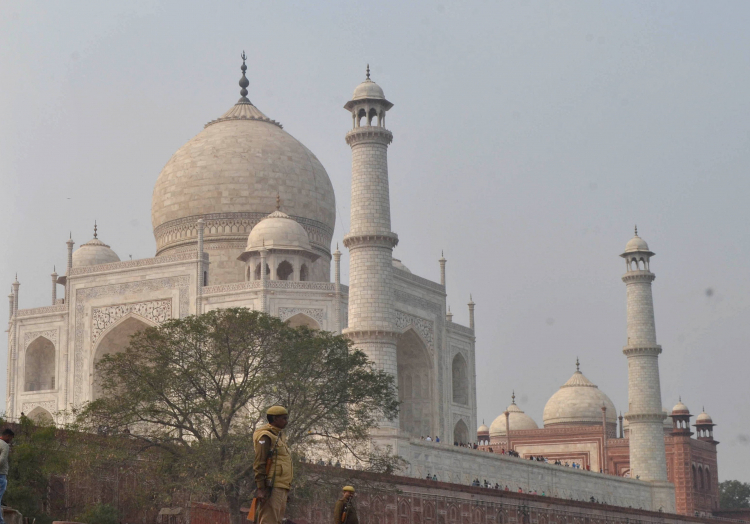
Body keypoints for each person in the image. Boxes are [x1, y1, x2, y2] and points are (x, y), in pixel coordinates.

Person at [253, 406, 293, 524]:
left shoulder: (279, 437)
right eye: (284, 418)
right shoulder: (265, 436)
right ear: (275, 419)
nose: (286, 421)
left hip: (281, 486)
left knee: (277, 521)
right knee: (268, 520)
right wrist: (261, 488)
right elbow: (259, 462)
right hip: (272, 486)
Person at [0, 429, 14, 522]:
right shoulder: (5, 445)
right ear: (8, 436)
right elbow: (2, 460)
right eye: (11, 438)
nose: (10, 440)